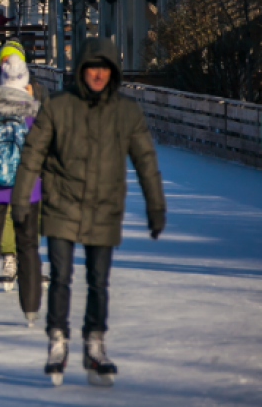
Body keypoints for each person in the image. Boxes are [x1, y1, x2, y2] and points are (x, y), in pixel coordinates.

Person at [10, 37, 166, 387]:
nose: (98, 74)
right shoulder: (58, 106)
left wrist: (155, 205)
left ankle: (95, 341)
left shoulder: (126, 112)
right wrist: (21, 199)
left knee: (98, 281)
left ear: (113, 73)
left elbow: (146, 161)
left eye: (104, 69)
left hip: (104, 207)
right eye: (92, 68)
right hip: (62, 203)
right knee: (62, 278)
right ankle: (57, 338)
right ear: (81, 70)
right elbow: (32, 154)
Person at [0, 40, 50, 291]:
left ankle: (30, 262)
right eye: (4, 59)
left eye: (12, 59)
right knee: (4, 213)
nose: (8, 63)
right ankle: (9, 258)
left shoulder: (36, 88)